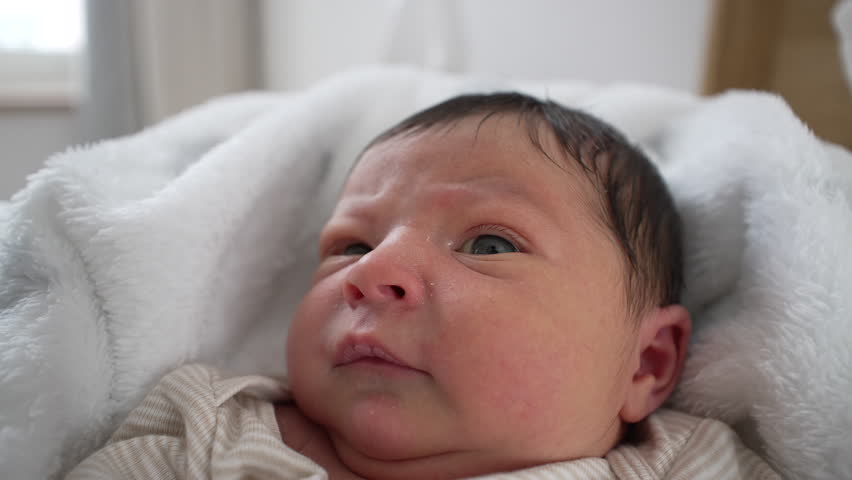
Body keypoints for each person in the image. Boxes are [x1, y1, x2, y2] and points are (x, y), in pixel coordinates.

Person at [66, 93, 779, 479]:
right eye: (353, 245)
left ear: (646, 363)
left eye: (489, 244)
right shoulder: (214, 431)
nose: (370, 273)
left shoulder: (684, 466)